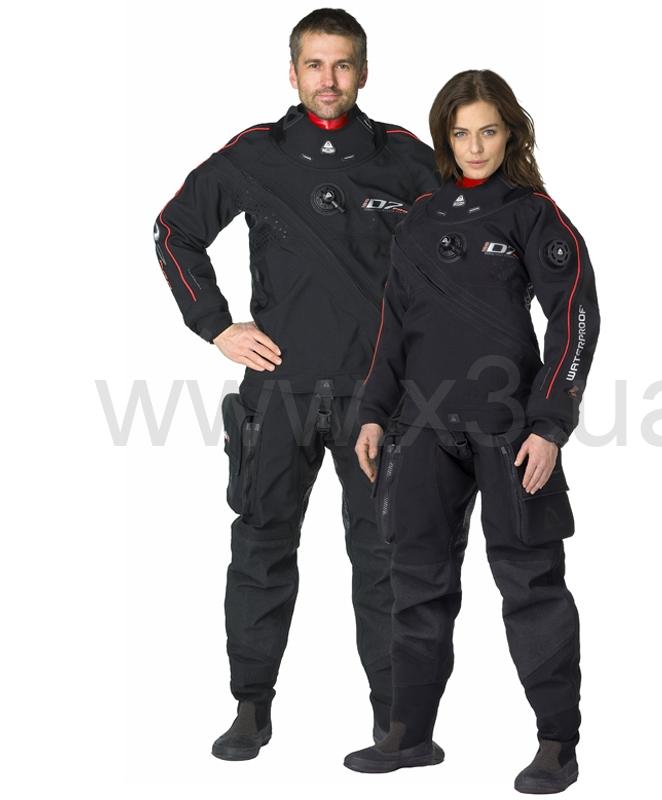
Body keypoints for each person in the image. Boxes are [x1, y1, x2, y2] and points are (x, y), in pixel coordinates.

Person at [152, 8, 439, 761]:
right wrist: (216, 326)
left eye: (342, 64)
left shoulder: (407, 160)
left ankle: (395, 720)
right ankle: (251, 708)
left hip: (379, 398)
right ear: (292, 72)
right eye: (315, 64)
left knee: (385, 557)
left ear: (364, 72)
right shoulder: (256, 155)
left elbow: (461, 248)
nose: (328, 79)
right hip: (278, 392)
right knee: (261, 548)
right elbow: (174, 230)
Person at [344, 69, 600, 794]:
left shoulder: (533, 215)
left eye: (488, 131)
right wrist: (372, 412)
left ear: (510, 133)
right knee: (415, 582)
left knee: (531, 583)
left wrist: (550, 425)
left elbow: (576, 317)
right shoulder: (419, 219)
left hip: (510, 428)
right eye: (461, 133)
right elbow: (393, 327)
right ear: (445, 139)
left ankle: (556, 744)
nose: (476, 146)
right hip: (421, 428)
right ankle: (409, 735)